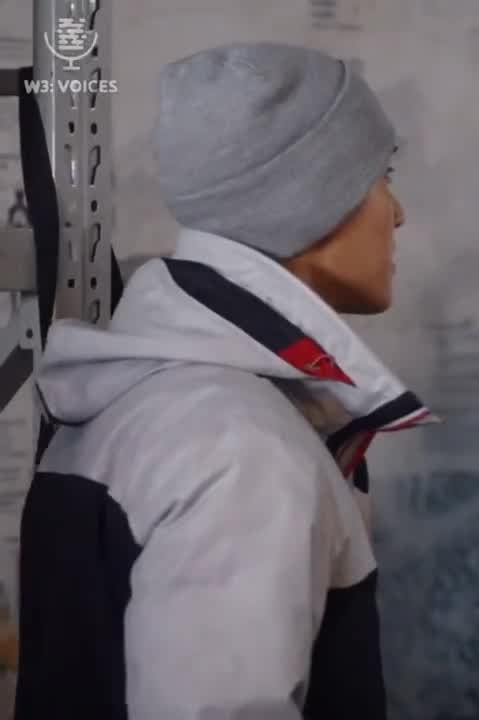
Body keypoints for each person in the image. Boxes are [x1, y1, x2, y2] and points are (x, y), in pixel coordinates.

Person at [14, 42, 437, 719]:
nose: (399, 212)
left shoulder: (138, 399)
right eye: (381, 176)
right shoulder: (240, 449)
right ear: (313, 198)